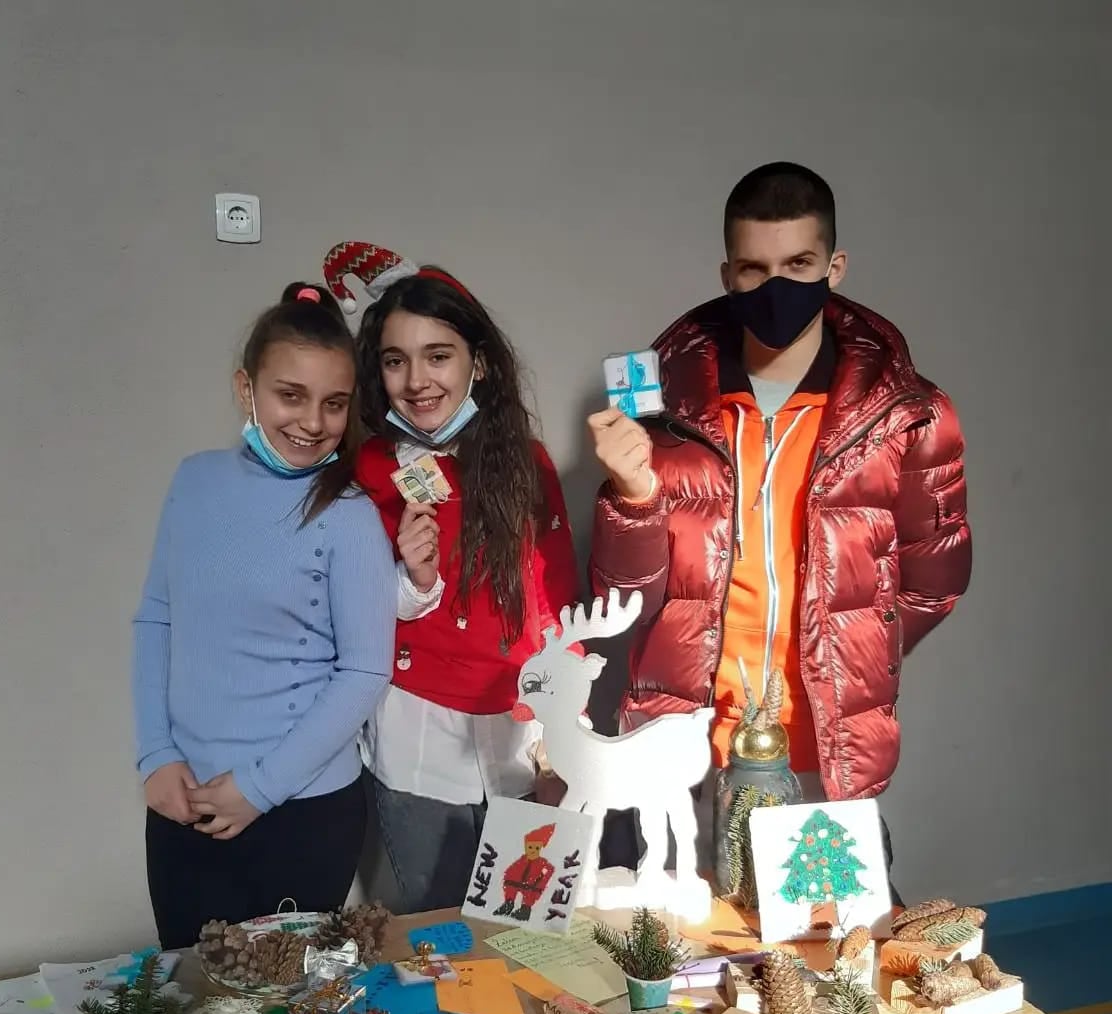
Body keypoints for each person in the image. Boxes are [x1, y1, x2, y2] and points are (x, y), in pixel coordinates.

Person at [588, 163, 971, 874]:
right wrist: (633, 496)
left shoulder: (909, 415)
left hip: (826, 752)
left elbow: (933, 582)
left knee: (829, 942)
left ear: (834, 267)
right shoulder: (661, 412)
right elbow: (624, 602)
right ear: (727, 274)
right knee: (680, 943)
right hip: (686, 749)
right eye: (754, 270)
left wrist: (854, 650)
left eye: (798, 265)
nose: (776, 289)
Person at [131, 282, 397, 949]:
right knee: (195, 995)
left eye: (334, 403)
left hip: (300, 811)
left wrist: (259, 787)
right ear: (245, 387)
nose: (313, 422)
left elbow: (365, 671)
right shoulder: (194, 480)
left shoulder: (349, 516)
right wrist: (155, 755)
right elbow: (157, 620)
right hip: (182, 800)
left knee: (288, 1004)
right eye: (291, 395)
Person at [321, 241, 580, 915]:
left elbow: (556, 594)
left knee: (528, 927)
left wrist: (566, 720)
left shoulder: (525, 462)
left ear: (479, 362)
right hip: (420, 742)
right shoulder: (367, 470)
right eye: (395, 360)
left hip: (521, 735)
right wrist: (413, 578)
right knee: (439, 933)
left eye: (438, 355)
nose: (417, 380)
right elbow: (344, 612)